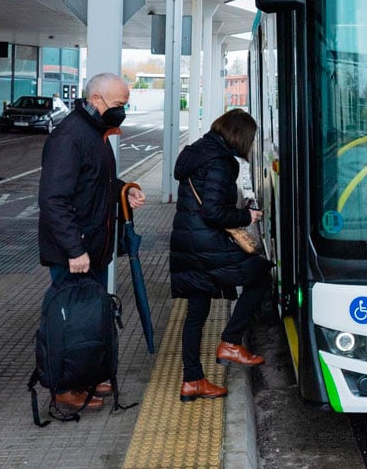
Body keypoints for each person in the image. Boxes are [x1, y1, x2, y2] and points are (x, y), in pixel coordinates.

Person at [38, 72, 145, 411]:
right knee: (70, 321)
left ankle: (87, 373)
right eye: (118, 105)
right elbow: (54, 199)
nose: (122, 111)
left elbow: (97, 184)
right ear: (96, 100)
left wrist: (125, 189)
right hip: (76, 252)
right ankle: (65, 387)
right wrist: (74, 249)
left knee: (91, 320)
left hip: (93, 248)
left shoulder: (95, 133)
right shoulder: (70, 137)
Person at [170, 108, 273, 402]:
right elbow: (213, 211)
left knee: (196, 313)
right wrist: (246, 216)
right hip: (206, 245)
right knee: (261, 274)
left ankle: (192, 381)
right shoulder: (220, 162)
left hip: (188, 242)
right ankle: (229, 342)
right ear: (240, 136)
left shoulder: (200, 151)